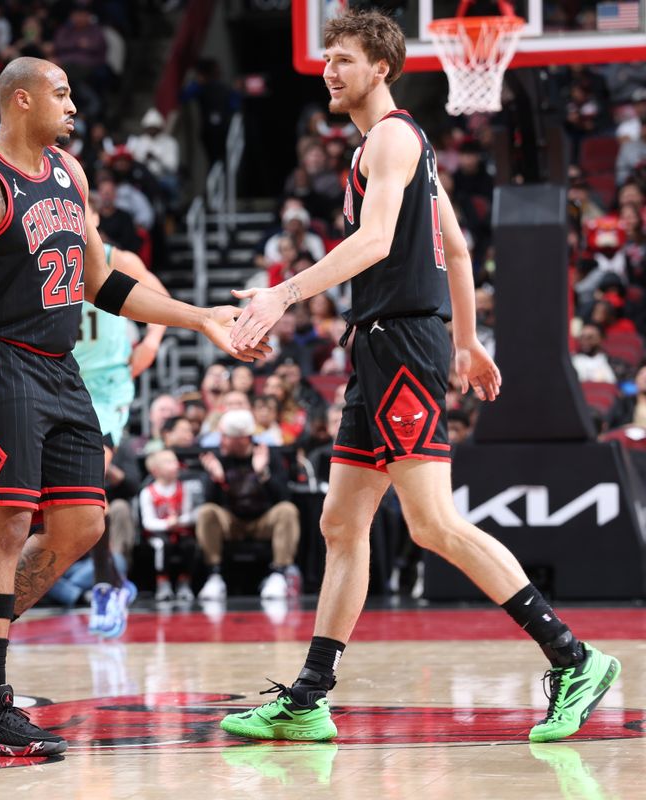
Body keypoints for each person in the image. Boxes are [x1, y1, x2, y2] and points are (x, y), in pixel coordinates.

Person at [221, 10, 619, 744]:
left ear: (380, 68)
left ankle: (575, 656)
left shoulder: (395, 138)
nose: (328, 70)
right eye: (328, 58)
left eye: (341, 59)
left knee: (433, 524)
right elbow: (460, 253)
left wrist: (282, 293)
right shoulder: (395, 149)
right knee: (341, 522)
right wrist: (467, 344)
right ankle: (309, 697)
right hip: (387, 346)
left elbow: (376, 242)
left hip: (401, 344)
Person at [0, 56, 270, 758]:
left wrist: (198, 318)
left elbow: (103, 284)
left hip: (58, 365)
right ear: (20, 100)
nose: (74, 105)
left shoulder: (69, 175)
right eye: (61, 93)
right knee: (8, 523)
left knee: (80, 526)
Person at [75, 195, 168, 638]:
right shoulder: (43, 261)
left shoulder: (117, 258)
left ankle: (105, 587)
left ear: (94, 217)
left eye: (83, 210)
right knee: (69, 496)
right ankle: (114, 579)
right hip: (62, 381)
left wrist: (149, 344)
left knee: (90, 483)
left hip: (109, 384)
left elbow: (162, 300)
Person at [196, 409, 300, 601]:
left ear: (243, 439)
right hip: (232, 521)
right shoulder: (218, 457)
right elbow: (208, 500)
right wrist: (216, 479)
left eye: (225, 437)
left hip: (262, 520)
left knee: (287, 511)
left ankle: (278, 574)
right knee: (206, 512)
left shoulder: (268, 454)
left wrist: (262, 474)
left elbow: (284, 496)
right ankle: (214, 576)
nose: (221, 441)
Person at [139, 449, 199, 603]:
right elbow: (147, 522)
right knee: (162, 544)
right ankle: (163, 583)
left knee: (190, 544)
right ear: (155, 470)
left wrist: (179, 521)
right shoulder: (148, 492)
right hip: (157, 534)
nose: (175, 465)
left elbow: (190, 515)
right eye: (169, 462)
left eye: (175, 461)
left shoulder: (183, 489)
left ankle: (184, 583)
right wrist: (167, 524)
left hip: (179, 530)